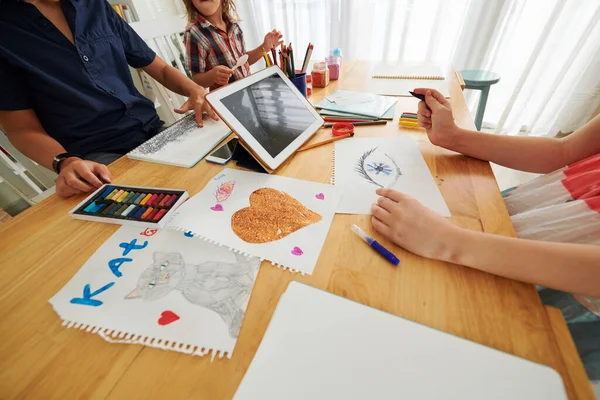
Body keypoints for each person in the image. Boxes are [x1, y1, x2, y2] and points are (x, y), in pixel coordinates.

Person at [371, 87, 600, 382]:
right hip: (523, 221)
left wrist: (450, 242)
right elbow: (565, 151)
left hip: (564, 289)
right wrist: (452, 137)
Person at [0, 0, 218, 198]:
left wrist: (194, 89)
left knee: (217, 177)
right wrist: (65, 162)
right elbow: (21, 128)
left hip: (154, 132)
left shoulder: (95, 6)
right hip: (94, 157)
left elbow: (159, 68)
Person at [183, 0, 283, 90]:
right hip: (225, 99)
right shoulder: (193, 34)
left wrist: (265, 47)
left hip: (250, 89)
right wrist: (212, 76)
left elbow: (243, 60)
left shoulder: (234, 26)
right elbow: (196, 79)